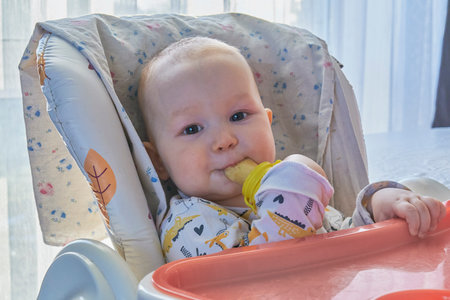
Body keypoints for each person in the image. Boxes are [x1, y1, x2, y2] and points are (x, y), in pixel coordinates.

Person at [138, 37, 446, 262]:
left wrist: (377, 208)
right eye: (192, 129)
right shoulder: (187, 224)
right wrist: (296, 185)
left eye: (239, 116)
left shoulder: (288, 185)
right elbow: (258, 271)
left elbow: (343, 243)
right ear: (159, 162)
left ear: (268, 123)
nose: (224, 139)